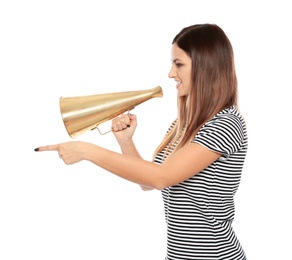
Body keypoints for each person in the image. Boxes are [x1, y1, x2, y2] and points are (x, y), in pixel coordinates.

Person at [35, 23, 248, 260]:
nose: (170, 73)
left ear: (205, 67)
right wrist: (126, 142)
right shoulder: (183, 123)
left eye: (178, 64)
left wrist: (88, 151)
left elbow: (160, 178)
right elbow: (149, 181)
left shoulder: (225, 123)